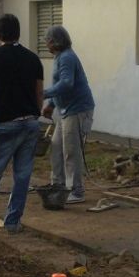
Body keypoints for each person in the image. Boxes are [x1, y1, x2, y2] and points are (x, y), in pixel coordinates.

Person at [0, 14, 44, 234]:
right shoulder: (33, 58)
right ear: (18, 33)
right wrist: (35, 115)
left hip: (4, 125)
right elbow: (39, 92)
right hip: (30, 124)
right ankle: (13, 223)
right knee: (22, 176)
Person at [41, 25, 95, 203]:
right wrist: (50, 104)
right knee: (56, 147)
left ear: (54, 42)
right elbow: (60, 84)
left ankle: (76, 191)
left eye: (48, 41)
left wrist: (44, 94)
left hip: (77, 109)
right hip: (65, 110)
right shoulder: (59, 57)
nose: (46, 45)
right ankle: (58, 186)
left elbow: (66, 83)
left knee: (71, 151)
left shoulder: (67, 58)